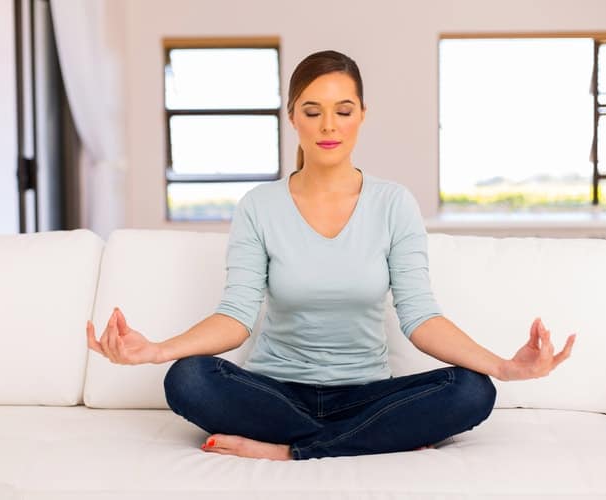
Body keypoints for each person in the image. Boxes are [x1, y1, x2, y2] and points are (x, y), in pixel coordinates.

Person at [86, 50, 577, 461]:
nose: (328, 125)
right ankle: (367, 441)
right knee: (188, 378)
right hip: (274, 393)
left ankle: (289, 451)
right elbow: (235, 318)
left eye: (343, 110)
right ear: (292, 115)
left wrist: (504, 367)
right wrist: (157, 350)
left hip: (368, 395)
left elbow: (421, 316)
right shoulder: (259, 206)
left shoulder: (393, 203)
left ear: (362, 114)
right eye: (312, 109)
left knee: (474, 390)